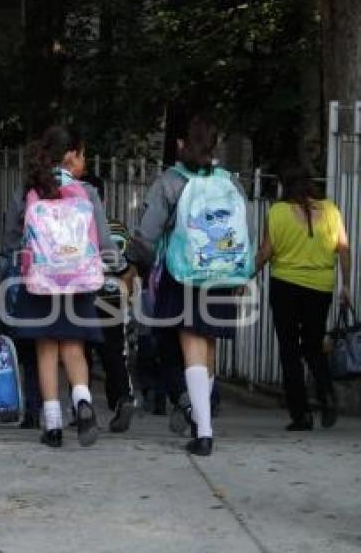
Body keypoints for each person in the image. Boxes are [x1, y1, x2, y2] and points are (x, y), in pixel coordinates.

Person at [123, 112, 247, 456]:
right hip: (222, 273)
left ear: (181, 144)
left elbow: (147, 235)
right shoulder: (231, 184)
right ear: (216, 144)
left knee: (190, 344)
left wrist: (134, 265)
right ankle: (203, 420)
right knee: (208, 346)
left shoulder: (170, 182)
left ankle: (203, 430)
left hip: (184, 273)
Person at [1, 125, 117, 448]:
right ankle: (82, 401)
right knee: (74, 347)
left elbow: (11, 239)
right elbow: (105, 241)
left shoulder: (28, 191)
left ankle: (51, 424)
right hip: (78, 282)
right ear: (70, 155)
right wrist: (117, 264)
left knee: (46, 350)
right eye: (81, 153)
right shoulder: (87, 192)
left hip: (39, 282)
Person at [254, 166, 351, 430]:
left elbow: (265, 253)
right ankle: (326, 393)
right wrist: (346, 285)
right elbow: (343, 249)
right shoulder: (331, 210)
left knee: (289, 350)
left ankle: (302, 414)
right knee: (313, 345)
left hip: (285, 286)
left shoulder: (277, 212)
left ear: (284, 186)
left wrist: (246, 276)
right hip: (321, 288)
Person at [80, 177, 137, 432]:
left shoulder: (74, 225)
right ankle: (122, 398)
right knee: (114, 355)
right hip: (113, 300)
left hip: (82, 298)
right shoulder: (118, 228)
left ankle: (82, 405)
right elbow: (129, 266)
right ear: (104, 200)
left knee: (81, 354)